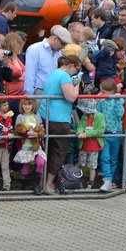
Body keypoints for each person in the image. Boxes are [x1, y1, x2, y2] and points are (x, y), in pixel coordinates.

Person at [39, 54, 81, 194]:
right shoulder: (64, 76)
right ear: (71, 66)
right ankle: (49, 184)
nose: (76, 73)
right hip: (59, 118)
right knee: (59, 151)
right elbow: (71, 97)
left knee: (47, 150)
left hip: (46, 115)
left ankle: (41, 182)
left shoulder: (54, 73)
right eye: (76, 69)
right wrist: (77, 84)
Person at [23, 25, 71, 96]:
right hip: (39, 91)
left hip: (54, 91)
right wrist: (29, 94)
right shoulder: (35, 49)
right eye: (63, 44)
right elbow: (30, 74)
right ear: (56, 39)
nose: (64, 47)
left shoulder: (59, 53)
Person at [97, 78, 126, 192]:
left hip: (115, 133)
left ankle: (112, 180)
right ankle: (107, 179)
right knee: (105, 158)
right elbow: (97, 113)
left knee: (113, 158)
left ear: (111, 91)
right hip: (104, 133)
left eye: (104, 92)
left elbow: (120, 114)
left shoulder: (118, 100)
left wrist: (118, 101)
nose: (102, 94)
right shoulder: (102, 101)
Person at [13, 97, 47, 195]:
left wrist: (39, 134)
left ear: (33, 106)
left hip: (36, 144)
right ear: (21, 106)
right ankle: (25, 184)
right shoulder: (20, 117)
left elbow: (41, 129)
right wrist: (27, 134)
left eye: (29, 104)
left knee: (40, 161)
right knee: (26, 163)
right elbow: (18, 130)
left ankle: (36, 184)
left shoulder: (37, 116)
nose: (27, 106)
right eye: (25, 104)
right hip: (25, 144)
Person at [75, 97, 105, 189]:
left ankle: (90, 183)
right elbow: (80, 126)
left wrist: (86, 134)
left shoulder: (100, 116)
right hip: (84, 145)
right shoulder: (84, 117)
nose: (82, 112)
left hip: (94, 146)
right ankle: (78, 181)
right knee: (81, 164)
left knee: (92, 165)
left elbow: (100, 130)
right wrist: (79, 132)